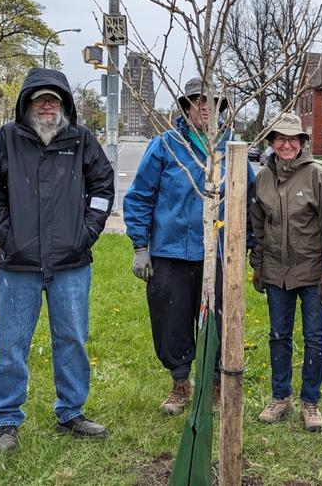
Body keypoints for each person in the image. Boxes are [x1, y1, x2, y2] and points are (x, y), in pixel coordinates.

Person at [0, 68, 115, 452]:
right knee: (10, 343)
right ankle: (5, 421)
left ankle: (71, 412)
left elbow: (103, 186)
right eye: (39, 98)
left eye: (54, 98)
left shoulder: (81, 140)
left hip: (71, 264)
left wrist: (85, 233)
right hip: (17, 264)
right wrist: (7, 235)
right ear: (26, 103)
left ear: (65, 104)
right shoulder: (7, 139)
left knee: (72, 338)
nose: (46, 104)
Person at [124, 77, 254, 415]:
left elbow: (249, 199)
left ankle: (214, 384)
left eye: (212, 103)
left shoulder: (231, 149)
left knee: (220, 321)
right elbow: (140, 196)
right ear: (186, 107)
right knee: (171, 319)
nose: (205, 108)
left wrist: (249, 247)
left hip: (221, 251)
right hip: (172, 252)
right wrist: (141, 245)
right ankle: (180, 382)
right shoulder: (165, 146)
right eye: (198, 101)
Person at [250, 113, 322, 432]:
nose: (286, 144)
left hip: (311, 271)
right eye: (280, 138)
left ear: (302, 143)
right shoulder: (263, 178)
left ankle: (310, 402)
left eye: (293, 139)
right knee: (278, 335)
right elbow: (258, 225)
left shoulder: (317, 176)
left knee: (314, 337)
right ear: (271, 142)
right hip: (275, 272)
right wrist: (258, 266)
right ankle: (280, 397)